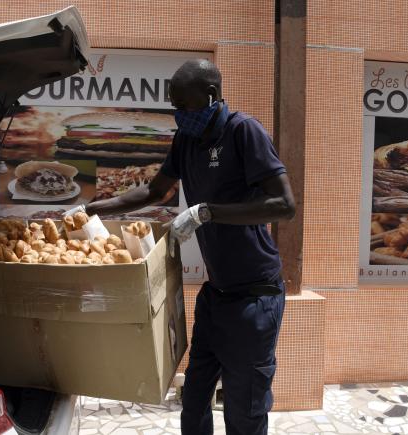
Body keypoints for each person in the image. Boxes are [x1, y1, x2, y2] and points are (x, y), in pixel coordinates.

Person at [86, 59, 295, 435]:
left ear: (211, 96)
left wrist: (206, 212)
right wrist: (89, 209)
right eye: (174, 106)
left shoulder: (243, 132)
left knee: (243, 410)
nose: (178, 114)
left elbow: (284, 205)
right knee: (194, 398)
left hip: (254, 299)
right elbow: (153, 190)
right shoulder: (187, 139)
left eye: (184, 105)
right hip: (215, 295)